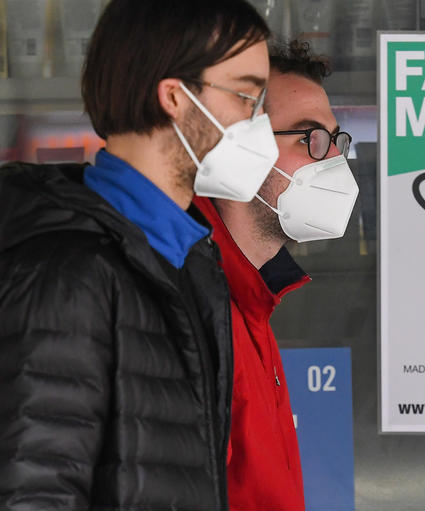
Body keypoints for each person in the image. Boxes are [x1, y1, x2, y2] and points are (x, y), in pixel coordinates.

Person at [0, 1, 277, 509]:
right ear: (175, 96)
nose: (259, 122)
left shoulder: (185, 260)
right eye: (246, 96)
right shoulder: (67, 274)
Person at [193, 40, 358, 511]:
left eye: (336, 141)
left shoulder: (251, 300)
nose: (333, 163)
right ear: (235, 152)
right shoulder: (194, 308)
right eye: (311, 139)